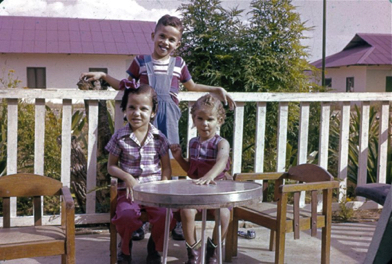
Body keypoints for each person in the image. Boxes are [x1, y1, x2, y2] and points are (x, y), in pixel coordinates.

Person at [81, 14, 235, 241]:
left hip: (169, 119)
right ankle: (142, 215)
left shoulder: (179, 64)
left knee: (170, 163)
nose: (166, 42)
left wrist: (216, 88)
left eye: (172, 39)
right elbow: (125, 85)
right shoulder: (141, 61)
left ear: (178, 43)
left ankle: (176, 218)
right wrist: (104, 75)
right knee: (145, 161)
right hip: (146, 119)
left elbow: (191, 86)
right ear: (154, 36)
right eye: (162, 36)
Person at [105, 83, 175, 264]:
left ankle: (154, 248)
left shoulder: (160, 138)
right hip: (130, 193)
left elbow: (166, 167)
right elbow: (111, 166)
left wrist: (164, 184)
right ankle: (125, 249)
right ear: (125, 110)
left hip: (154, 193)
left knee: (166, 215)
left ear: (153, 112)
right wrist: (127, 177)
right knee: (125, 216)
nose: (137, 113)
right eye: (132, 107)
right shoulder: (119, 137)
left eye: (143, 108)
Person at [170, 94, 231, 264]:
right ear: (194, 119)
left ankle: (213, 250)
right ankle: (193, 254)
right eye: (200, 118)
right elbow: (191, 171)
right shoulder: (193, 143)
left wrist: (209, 176)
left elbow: (222, 160)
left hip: (218, 192)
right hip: (197, 191)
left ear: (219, 120)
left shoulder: (221, 143)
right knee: (186, 211)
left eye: (210, 119)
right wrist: (179, 158)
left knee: (224, 214)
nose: (205, 123)